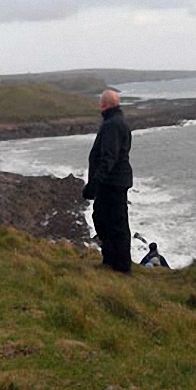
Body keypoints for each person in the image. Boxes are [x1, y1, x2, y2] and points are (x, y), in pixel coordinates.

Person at [83, 90, 133, 273]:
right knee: (103, 219)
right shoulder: (116, 121)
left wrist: (94, 185)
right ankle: (111, 260)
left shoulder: (112, 125)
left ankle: (120, 266)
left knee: (116, 224)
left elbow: (109, 157)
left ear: (104, 104)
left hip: (113, 183)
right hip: (115, 181)